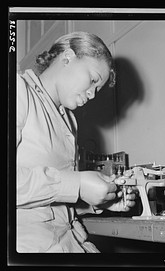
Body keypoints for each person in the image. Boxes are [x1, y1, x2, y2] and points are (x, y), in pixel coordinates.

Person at [17, 31, 136, 253]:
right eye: (92, 80)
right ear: (68, 56)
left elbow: (56, 204)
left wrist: (97, 202)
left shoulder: (69, 120)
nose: (92, 95)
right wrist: (79, 185)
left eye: (96, 90)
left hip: (72, 241)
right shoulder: (18, 91)